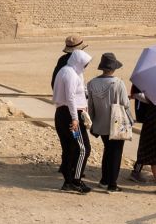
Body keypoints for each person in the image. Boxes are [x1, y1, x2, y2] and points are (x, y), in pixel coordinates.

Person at [87, 53, 131, 193]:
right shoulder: (118, 83)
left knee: (107, 151)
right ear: (114, 68)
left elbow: (90, 105)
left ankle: (104, 180)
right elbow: (125, 103)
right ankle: (112, 183)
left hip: (100, 122)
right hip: (116, 123)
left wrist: (92, 123)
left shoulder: (92, 83)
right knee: (116, 153)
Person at [53, 49, 93, 193]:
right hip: (71, 117)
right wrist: (75, 119)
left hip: (63, 114)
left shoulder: (65, 71)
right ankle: (76, 181)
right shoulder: (70, 74)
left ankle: (68, 181)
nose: (86, 66)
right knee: (83, 148)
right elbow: (70, 98)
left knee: (70, 148)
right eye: (85, 63)